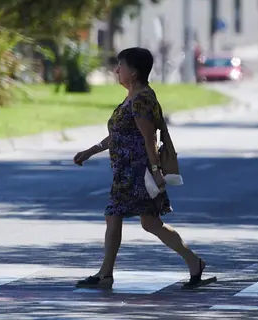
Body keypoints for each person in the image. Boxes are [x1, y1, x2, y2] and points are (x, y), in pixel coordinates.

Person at [72, 47, 208, 290]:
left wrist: (155, 171)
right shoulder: (133, 97)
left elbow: (149, 139)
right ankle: (193, 262)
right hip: (126, 172)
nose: (117, 70)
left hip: (137, 174)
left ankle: (106, 274)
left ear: (133, 72)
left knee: (125, 218)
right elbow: (119, 134)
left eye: (121, 66)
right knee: (143, 222)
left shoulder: (142, 100)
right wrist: (90, 151)